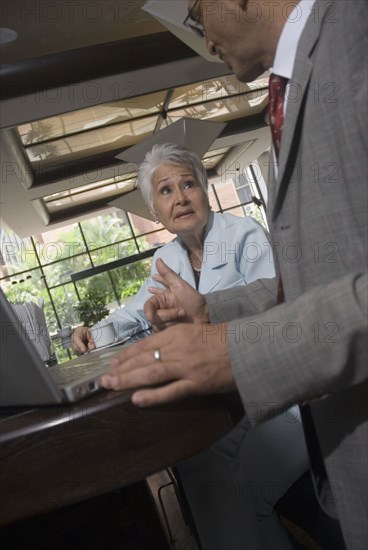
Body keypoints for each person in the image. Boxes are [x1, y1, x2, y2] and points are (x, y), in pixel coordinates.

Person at [100, 2, 368, 549]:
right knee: (205, 469)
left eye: (197, 16)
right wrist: (210, 312)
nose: (204, 40)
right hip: (339, 434)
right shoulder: (292, 89)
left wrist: (233, 348)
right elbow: (310, 278)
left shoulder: (355, 32)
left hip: (301, 400)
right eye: (166, 193)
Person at [73, 143, 309, 549]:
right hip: (229, 400)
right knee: (199, 462)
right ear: (155, 211)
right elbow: (134, 311)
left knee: (237, 488)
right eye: (166, 191)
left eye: (188, 184)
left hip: (281, 394)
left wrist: (207, 315)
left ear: (203, 189)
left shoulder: (244, 235)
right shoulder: (166, 258)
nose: (180, 197)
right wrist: (95, 330)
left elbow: (277, 309)